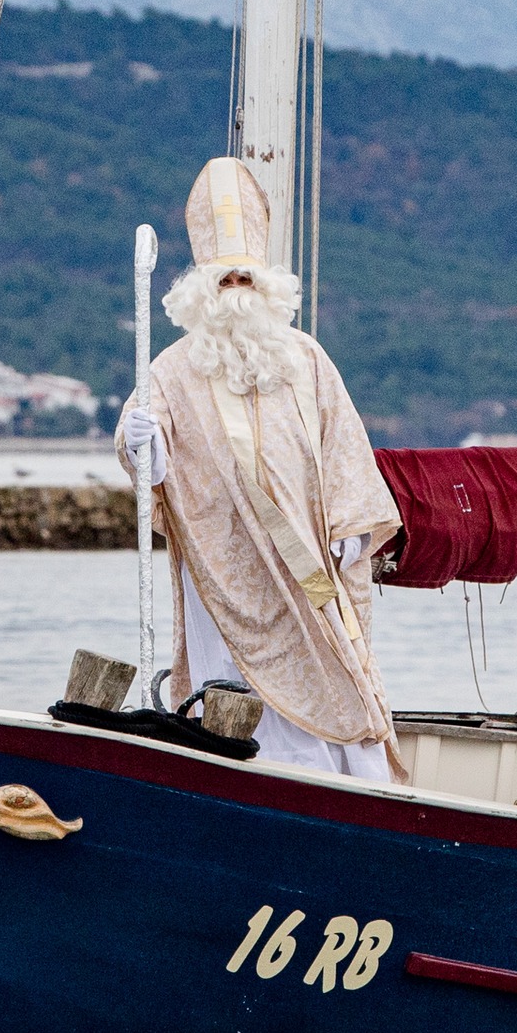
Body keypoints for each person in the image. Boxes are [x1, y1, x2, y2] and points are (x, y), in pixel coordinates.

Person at [119, 157, 404, 780]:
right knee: (235, 681)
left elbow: (346, 451)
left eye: (245, 278)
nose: (236, 291)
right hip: (224, 568)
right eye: (224, 280)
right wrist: (142, 442)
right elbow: (148, 452)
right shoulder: (171, 369)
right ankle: (250, 772)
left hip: (309, 565)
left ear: (267, 283)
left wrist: (350, 531)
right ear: (202, 288)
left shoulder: (306, 358)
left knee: (331, 672)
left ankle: (345, 782)